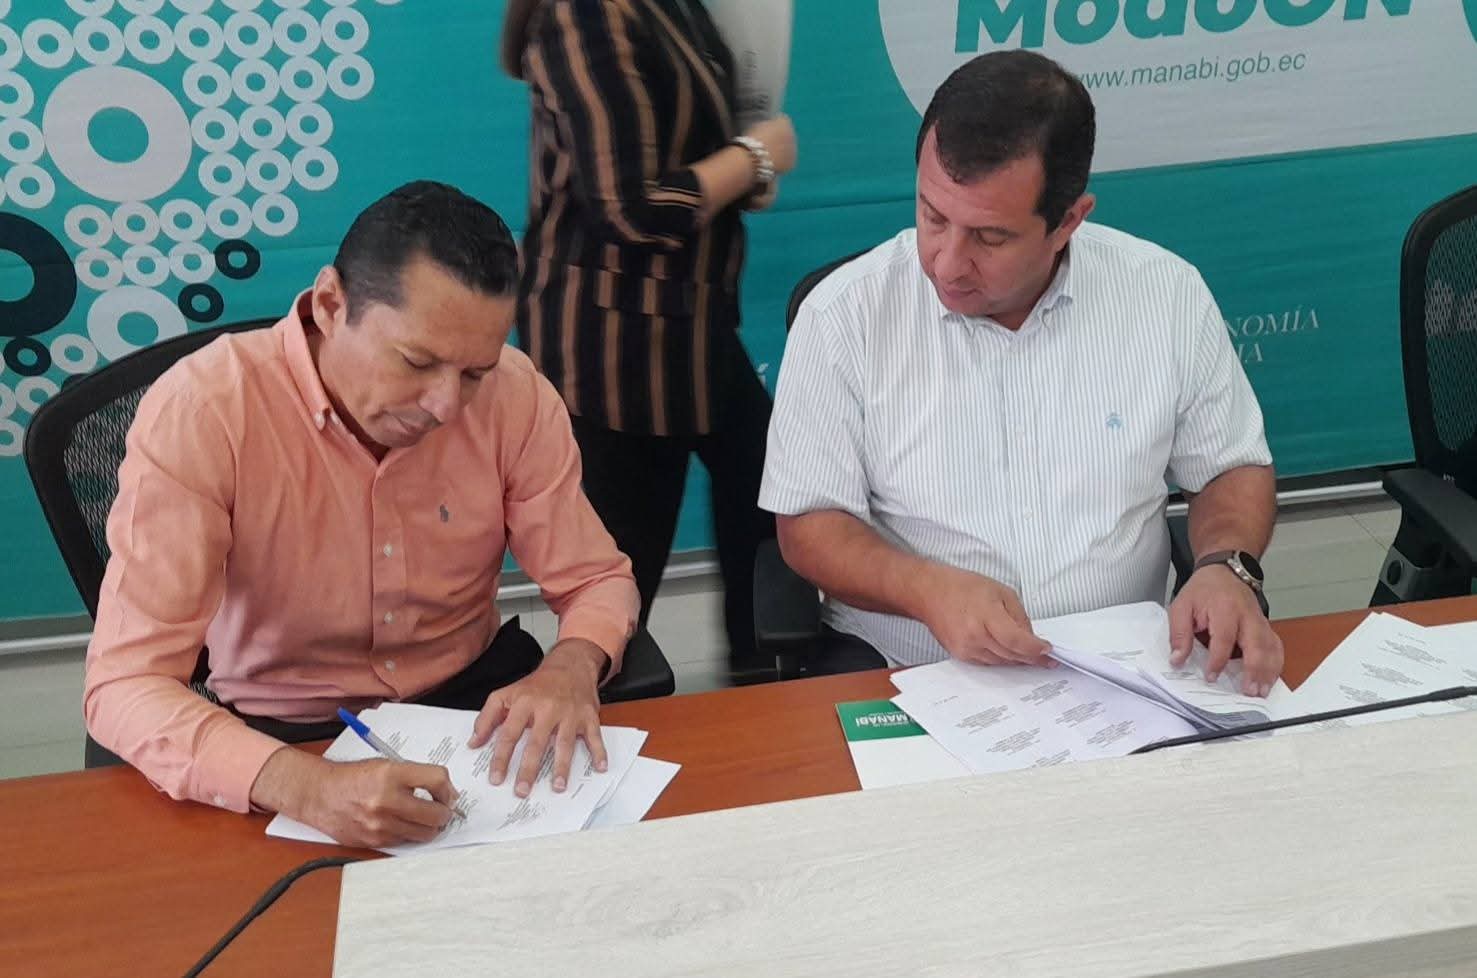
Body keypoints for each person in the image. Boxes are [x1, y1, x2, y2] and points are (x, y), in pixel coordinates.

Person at [83, 181, 640, 848]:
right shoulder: (207, 411)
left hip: (472, 709)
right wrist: (307, 787)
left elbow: (595, 579)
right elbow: (125, 683)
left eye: (473, 373)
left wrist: (571, 666)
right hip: (287, 734)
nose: (446, 407)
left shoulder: (516, 396)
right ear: (329, 305)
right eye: (417, 361)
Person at [760, 51, 1284, 695]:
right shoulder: (844, 316)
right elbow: (808, 525)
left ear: (1068, 221)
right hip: (908, 670)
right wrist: (925, 589)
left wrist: (1226, 565)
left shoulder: (1164, 294)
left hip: (1126, 673)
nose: (946, 263)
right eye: (932, 216)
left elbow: (1231, 467)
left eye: (990, 238)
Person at [501, 0, 798, 681]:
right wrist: (754, 157)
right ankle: (601, 712)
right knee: (622, 574)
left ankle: (763, 685)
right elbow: (631, 208)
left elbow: (682, 144)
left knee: (769, 491)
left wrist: (742, 170)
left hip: (691, 326)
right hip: (614, 344)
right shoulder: (581, 14)